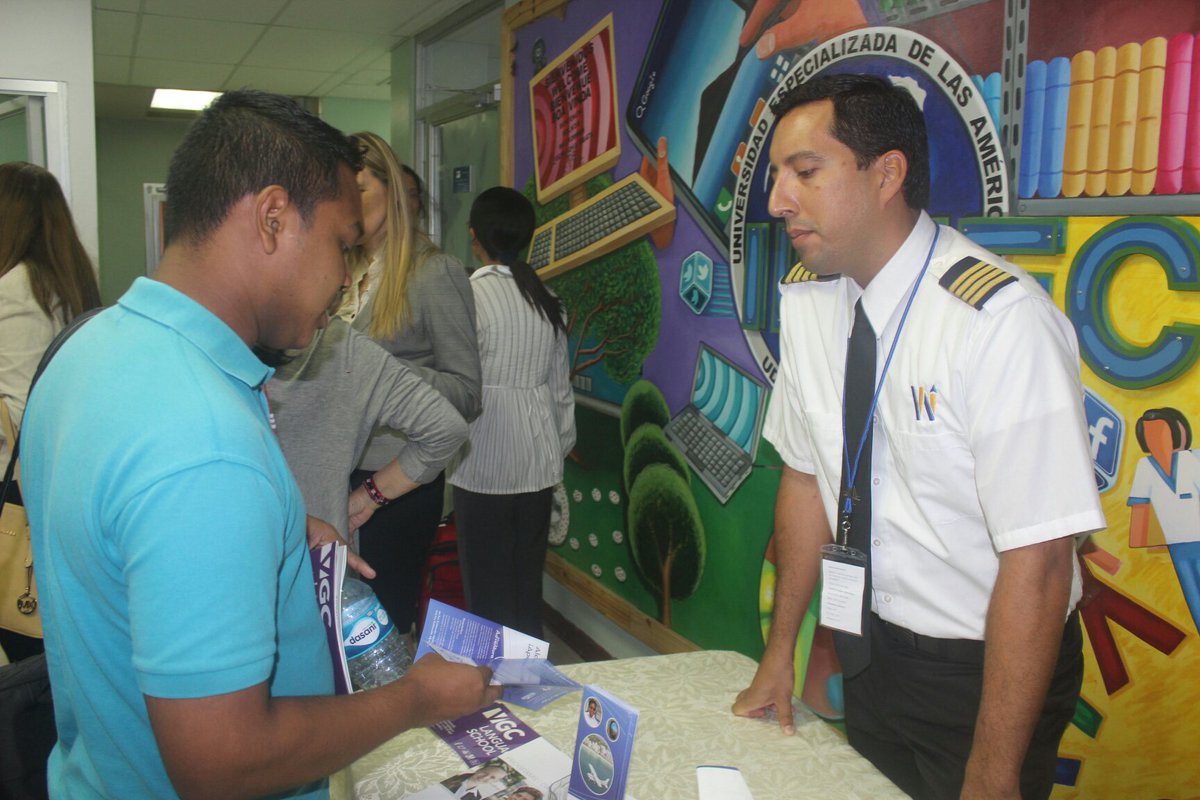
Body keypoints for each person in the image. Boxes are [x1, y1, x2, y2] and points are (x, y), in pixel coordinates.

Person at [19, 90, 497, 799]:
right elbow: (223, 763)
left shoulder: (89, 350)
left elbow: (116, 541)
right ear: (273, 218)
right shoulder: (205, 443)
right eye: (341, 246)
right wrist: (416, 699)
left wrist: (272, 529)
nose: (344, 281)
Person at [731, 74, 1105, 800]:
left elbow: (1040, 563)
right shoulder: (813, 310)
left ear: (887, 174)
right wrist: (783, 652)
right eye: (777, 175)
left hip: (987, 669)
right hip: (872, 651)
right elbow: (806, 480)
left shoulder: (998, 323)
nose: (777, 200)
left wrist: (993, 773)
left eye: (805, 172)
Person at [347, 132, 482, 635]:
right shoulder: (342, 272)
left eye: (360, 189)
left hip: (399, 480)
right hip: (337, 470)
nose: (349, 204)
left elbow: (467, 392)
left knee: (383, 625)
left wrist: (383, 373)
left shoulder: (434, 272)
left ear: (393, 192)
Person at [448, 187, 575, 637]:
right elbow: (560, 390)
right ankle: (527, 686)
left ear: (473, 237)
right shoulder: (548, 301)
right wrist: (557, 450)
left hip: (482, 458)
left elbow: (455, 389)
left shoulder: (465, 297)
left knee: (486, 589)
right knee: (525, 586)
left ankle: (490, 690)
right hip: (538, 461)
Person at [0, 161, 101, 662]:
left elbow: (21, 416)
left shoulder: (14, 290)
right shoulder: (69, 284)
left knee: (24, 642)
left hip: (22, 500)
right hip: (66, 490)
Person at [267, 317, 468, 544]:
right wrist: (368, 497)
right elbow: (445, 427)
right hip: (323, 555)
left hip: (301, 552)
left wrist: (369, 496)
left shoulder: (337, 343)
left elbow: (448, 424)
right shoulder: (342, 342)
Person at [1127, 407, 1200, 631]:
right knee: (1195, 598)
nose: (1157, 440)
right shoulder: (1145, 467)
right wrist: (1142, 540)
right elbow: (1140, 506)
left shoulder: (1194, 458)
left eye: (1162, 433)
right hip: (1177, 545)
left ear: (1179, 433)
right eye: (1150, 434)